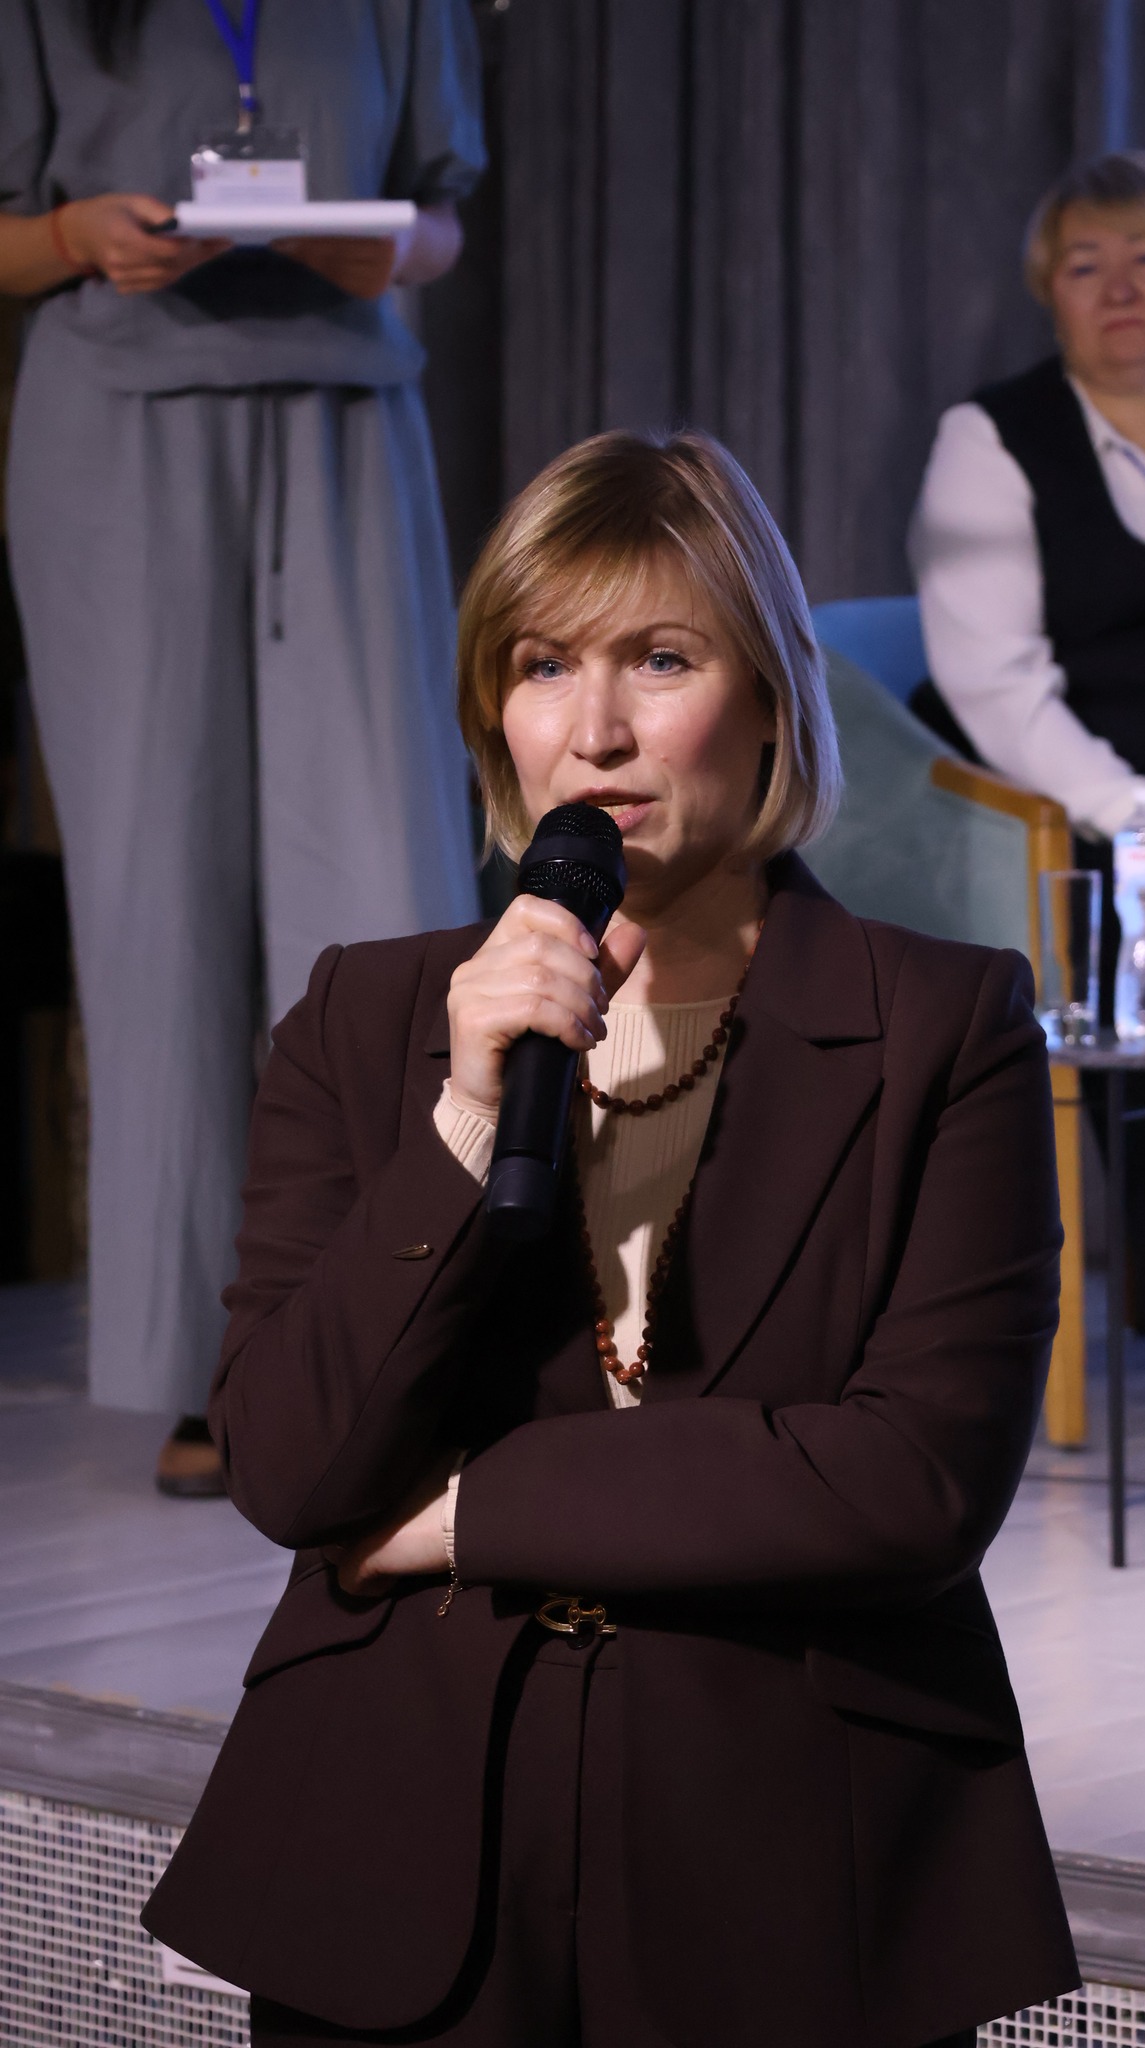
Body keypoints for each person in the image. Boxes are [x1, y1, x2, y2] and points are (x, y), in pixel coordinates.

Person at [142, 431, 1077, 2047]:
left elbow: (911, 1480)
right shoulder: (369, 1016)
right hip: (396, 1848)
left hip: (792, 1857)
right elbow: (288, 1462)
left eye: (660, 658)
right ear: (492, 713)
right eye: (541, 665)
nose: (595, 731)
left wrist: (466, 1512)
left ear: (769, 695)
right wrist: (460, 1118)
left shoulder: (947, 1022)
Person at [0, 0, 484, 1492]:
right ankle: (211, 1366)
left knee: (383, 885)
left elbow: (440, 215)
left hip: (345, 414)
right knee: (161, 906)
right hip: (117, 426)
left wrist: (396, 252)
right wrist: (74, 235)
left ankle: (402, 1338)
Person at [910, 148, 1145, 1328]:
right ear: (1047, 291)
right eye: (1085, 263)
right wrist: (1141, 818)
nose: (1122, 287)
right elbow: (997, 687)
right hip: (1067, 791)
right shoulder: (991, 438)